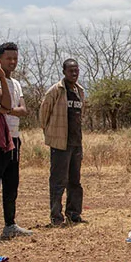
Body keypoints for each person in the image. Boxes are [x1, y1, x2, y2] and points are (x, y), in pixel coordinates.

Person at [0, 42, 33, 243]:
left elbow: (22, 110)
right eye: (8, 58)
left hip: (14, 137)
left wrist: (7, 110)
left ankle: (10, 224)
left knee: (12, 183)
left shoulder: (17, 83)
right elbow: (8, 103)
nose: (12, 62)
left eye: (15, 58)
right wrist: (1, 78)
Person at [39, 58, 85, 226]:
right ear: (64, 72)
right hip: (60, 143)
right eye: (71, 70)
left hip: (76, 142)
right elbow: (44, 113)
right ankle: (56, 217)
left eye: (76, 70)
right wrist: (50, 132)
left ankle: (74, 214)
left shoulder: (80, 91)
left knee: (75, 181)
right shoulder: (56, 90)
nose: (74, 73)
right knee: (58, 181)